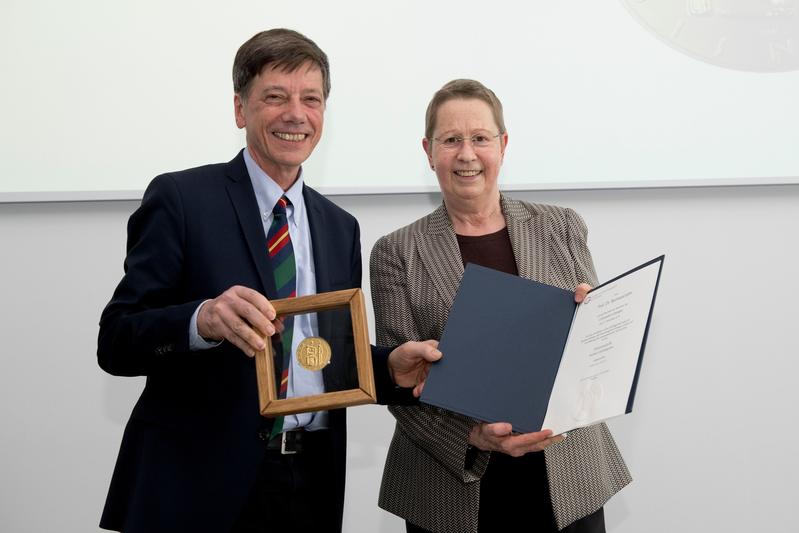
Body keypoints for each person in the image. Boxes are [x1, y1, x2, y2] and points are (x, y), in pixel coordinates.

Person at [97, 28, 440, 533]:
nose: (295, 114)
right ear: (240, 110)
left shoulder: (338, 226)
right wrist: (201, 321)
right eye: (275, 97)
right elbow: (117, 341)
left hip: (308, 485)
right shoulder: (181, 199)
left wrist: (389, 367)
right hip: (196, 488)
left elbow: (322, 355)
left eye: (311, 99)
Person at [370, 79, 632, 533]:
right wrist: (472, 437)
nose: (466, 154)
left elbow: (593, 356)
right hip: (452, 484)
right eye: (451, 140)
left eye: (480, 138)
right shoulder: (396, 252)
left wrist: (593, 326)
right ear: (428, 151)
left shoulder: (562, 226)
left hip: (566, 473)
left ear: (503, 145)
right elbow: (399, 385)